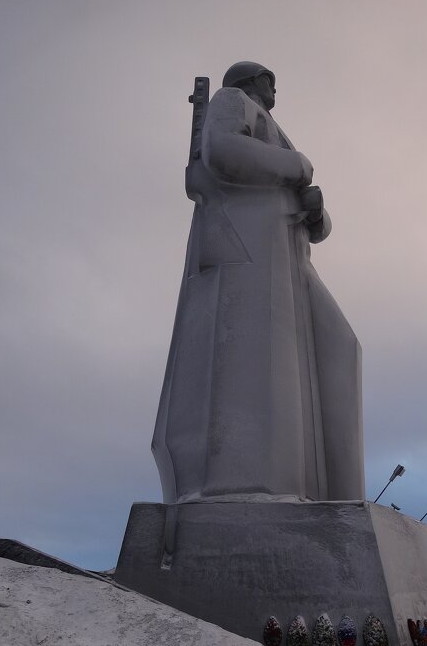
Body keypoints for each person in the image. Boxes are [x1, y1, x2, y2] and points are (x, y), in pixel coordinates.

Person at [152, 61, 365, 504]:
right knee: (254, 360)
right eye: (270, 82)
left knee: (339, 347)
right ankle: (248, 484)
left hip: (288, 253)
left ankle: (339, 497)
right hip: (247, 242)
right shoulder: (231, 101)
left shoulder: (270, 122)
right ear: (251, 81)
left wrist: (315, 210)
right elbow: (223, 151)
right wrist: (298, 165)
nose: (275, 92)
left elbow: (318, 228)